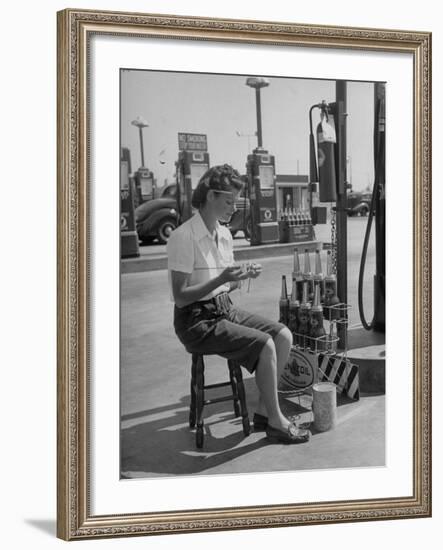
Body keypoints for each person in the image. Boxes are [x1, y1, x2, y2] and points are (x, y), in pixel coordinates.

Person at [166, 164, 310, 444]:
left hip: (223, 309)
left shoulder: (224, 234)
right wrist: (222, 277)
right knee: (265, 344)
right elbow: (182, 296)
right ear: (210, 197)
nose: (234, 208)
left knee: (283, 336)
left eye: (236, 201)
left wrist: (241, 276)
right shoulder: (183, 237)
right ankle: (277, 422)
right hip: (196, 321)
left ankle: (263, 412)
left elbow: (225, 284)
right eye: (229, 201)